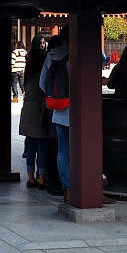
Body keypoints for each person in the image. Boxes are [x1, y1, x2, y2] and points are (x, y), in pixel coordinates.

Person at [39, 31, 70, 201]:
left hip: (58, 110)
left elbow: (42, 83)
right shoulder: (79, 53)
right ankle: (81, 185)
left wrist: (56, 97)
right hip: (78, 112)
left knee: (62, 150)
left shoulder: (51, 55)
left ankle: (66, 188)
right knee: (79, 149)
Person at [20, 33, 50, 189]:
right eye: (42, 42)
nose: (43, 45)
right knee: (42, 146)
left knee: (31, 146)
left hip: (28, 109)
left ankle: (30, 177)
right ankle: (43, 178)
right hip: (40, 110)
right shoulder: (42, 71)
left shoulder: (28, 70)